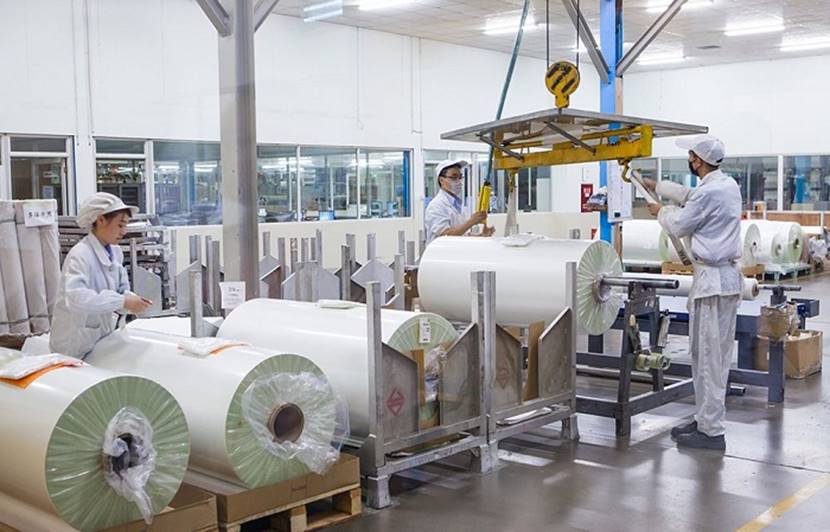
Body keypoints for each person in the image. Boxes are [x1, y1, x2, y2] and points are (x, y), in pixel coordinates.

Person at [643, 135, 741, 451]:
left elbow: (680, 224)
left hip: (713, 283)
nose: (688, 159)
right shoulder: (726, 185)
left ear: (697, 160)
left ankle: (711, 432)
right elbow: (690, 196)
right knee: (707, 356)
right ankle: (705, 420)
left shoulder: (709, 193)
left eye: (690, 155)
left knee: (709, 358)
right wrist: (655, 185)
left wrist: (659, 211)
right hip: (722, 280)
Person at [50, 192, 152, 358]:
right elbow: (76, 298)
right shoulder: (80, 255)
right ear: (101, 220)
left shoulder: (115, 252)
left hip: (99, 338)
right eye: (120, 225)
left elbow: (121, 290)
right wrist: (122, 301)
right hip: (72, 344)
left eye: (125, 226)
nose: (124, 232)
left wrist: (132, 301)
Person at [424, 159, 495, 244]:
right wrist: (471, 221)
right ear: (441, 180)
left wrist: (481, 236)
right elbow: (446, 236)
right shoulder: (436, 206)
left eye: (460, 177)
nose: (459, 181)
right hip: (441, 252)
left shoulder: (458, 205)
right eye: (454, 177)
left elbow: (463, 235)